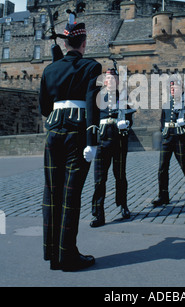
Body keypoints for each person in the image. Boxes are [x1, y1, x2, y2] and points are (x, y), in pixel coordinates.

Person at [39, 20, 102, 271]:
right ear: (84, 44)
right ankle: (68, 256)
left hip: (53, 134)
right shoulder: (92, 66)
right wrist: (92, 140)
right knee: (70, 195)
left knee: (52, 194)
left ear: (65, 44)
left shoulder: (50, 70)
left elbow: (45, 107)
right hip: (77, 135)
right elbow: (92, 103)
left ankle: (53, 254)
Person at [90, 68, 134, 228]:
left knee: (120, 176)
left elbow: (130, 118)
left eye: (114, 78)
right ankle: (98, 213)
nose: (111, 81)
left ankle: (123, 205)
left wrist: (126, 124)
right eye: (108, 78)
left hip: (119, 142)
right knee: (99, 180)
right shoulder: (98, 97)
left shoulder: (124, 97)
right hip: (102, 141)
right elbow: (92, 119)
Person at [152, 79, 185, 206]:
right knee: (162, 168)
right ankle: (163, 195)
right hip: (167, 138)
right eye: (171, 88)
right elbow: (162, 120)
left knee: (184, 166)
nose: (173, 90)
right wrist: (163, 132)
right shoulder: (167, 105)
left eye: (176, 88)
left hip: (179, 138)